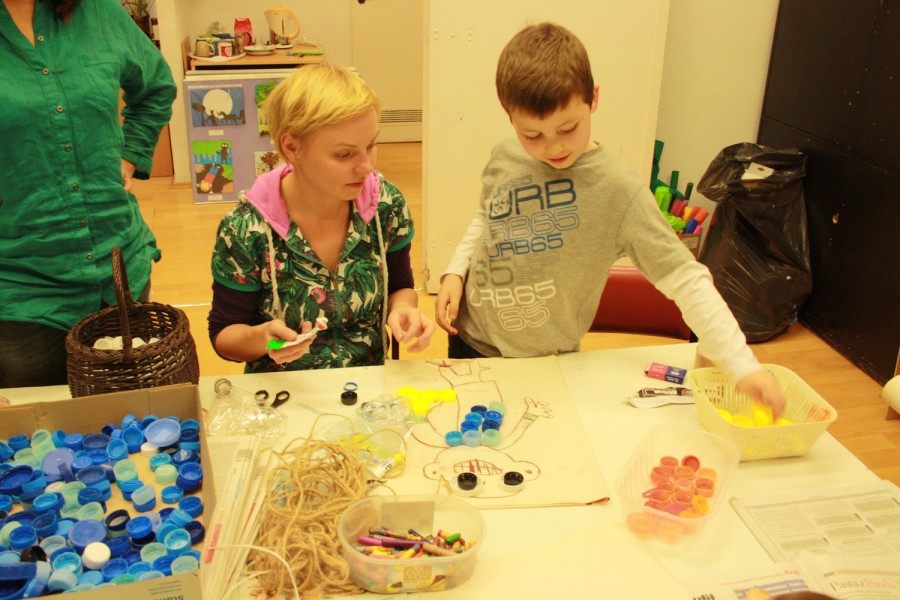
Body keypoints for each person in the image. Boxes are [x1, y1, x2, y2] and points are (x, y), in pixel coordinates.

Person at [435, 22, 785, 416]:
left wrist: (742, 366)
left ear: (594, 98)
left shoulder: (619, 190)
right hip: (470, 339)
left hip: (546, 361)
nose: (552, 147)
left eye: (568, 128)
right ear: (509, 116)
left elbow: (687, 279)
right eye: (532, 135)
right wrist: (455, 271)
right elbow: (488, 216)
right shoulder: (505, 153)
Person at [208, 65, 434, 373]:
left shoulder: (385, 204)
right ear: (291, 147)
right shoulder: (246, 230)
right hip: (285, 391)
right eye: (344, 154)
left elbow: (401, 286)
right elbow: (224, 336)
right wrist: (263, 339)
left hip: (369, 385)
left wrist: (404, 308)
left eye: (371, 145)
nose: (366, 166)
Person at [0, 0, 177, 388]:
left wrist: (130, 155)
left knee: (131, 409)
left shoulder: (98, 11)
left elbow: (156, 86)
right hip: (23, 288)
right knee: (38, 419)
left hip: (119, 267)